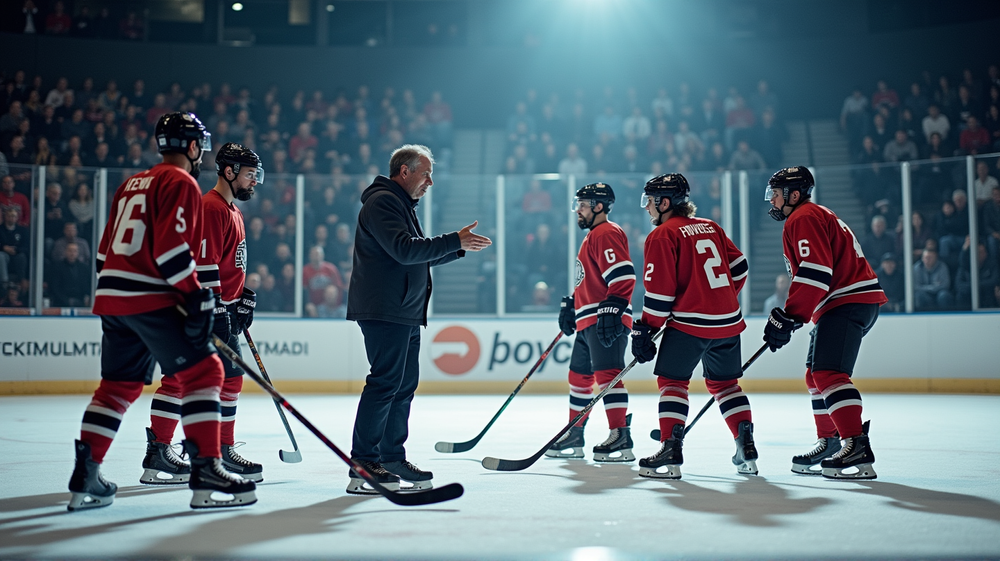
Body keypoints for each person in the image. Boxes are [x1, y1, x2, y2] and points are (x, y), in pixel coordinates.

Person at [68, 112, 256, 511]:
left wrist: (122, 293)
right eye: (199, 145)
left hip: (113, 299)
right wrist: (196, 300)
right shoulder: (181, 182)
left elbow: (103, 255)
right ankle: (206, 472)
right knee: (207, 371)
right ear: (191, 147)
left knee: (117, 388)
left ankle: (85, 475)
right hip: (150, 297)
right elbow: (173, 251)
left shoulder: (130, 183)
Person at [346, 144, 491, 494]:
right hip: (386, 310)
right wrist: (451, 240)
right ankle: (363, 464)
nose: (430, 182)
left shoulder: (400, 203)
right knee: (384, 383)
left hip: (404, 311)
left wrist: (456, 247)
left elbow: (414, 255)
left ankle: (391, 456)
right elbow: (405, 249)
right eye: (426, 174)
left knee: (403, 386)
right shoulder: (383, 202)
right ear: (405, 171)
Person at [145, 142, 264, 485]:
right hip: (200, 309)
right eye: (250, 175)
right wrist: (216, 306)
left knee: (231, 378)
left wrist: (242, 297)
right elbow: (203, 262)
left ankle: (222, 449)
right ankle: (160, 452)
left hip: (219, 307)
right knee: (182, 380)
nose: (254, 181)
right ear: (228, 172)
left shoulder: (231, 210)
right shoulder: (211, 207)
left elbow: (229, 262)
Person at [762, 166, 886, 480]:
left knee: (829, 373)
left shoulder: (803, 217)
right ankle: (831, 441)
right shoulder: (812, 214)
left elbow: (816, 273)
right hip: (844, 302)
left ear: (793, 194)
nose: (772, 202)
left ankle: (855, 444)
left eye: (776, 195)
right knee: (814, 376)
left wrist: (791, 315)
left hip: (847, 301)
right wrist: (793, 316)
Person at [629, 174, 754, 479]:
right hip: (728, 324)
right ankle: (747, 448)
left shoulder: (662, 235)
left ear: (665, 202)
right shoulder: (711, 226)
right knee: (726, 385)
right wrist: (718, 299)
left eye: (650, 201)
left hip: (689, 326)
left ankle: (670, 451)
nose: (646, 208)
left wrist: (646, 327)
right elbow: (739, 267)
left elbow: (659, 293)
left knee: (672, 383)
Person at [550, 182, 636, 463]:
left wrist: (611, 310)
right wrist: (572, 304)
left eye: (583, 205)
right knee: (579, 377)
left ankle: (620, 436)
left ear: (599, 206)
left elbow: (623, 276)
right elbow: (592, 280)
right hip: (589, 320)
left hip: (604, 320)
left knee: (608, 377)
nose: (579, 210)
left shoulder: (606, 232)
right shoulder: (592, 236)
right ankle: (575, 435)